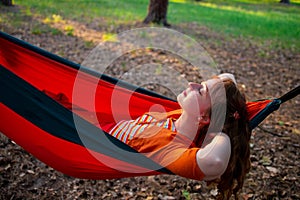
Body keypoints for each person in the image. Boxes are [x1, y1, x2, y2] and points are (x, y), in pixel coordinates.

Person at [108, 73, 251, 200]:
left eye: (201, 91)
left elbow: (214, 162)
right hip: (96, 123)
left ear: (203, 118)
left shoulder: (170, 146)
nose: (191, 84)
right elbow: (228, 76)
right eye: (200, 85)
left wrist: (222, 132)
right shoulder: (178, 116)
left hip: (91, 142)